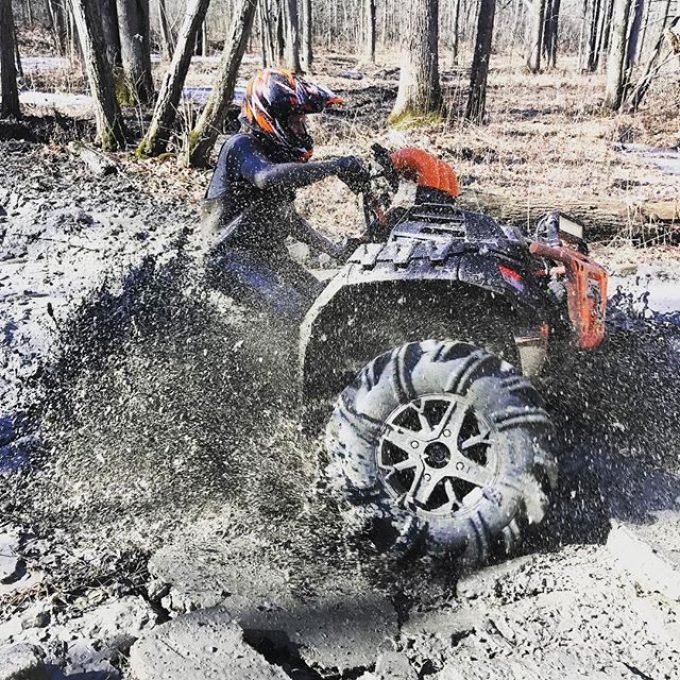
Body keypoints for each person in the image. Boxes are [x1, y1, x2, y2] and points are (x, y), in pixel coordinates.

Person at [201, 68, 369, 320]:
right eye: (294, 121)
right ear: (270, 117)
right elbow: (265, 177)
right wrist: (335, 167)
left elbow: (287, 219)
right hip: (230, 260)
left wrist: (336, 250)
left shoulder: (275, 155)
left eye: (302, 121)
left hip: (269, 256)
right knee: (297, 314)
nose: (300, 129)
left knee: (325, 304)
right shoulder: (240, 145)